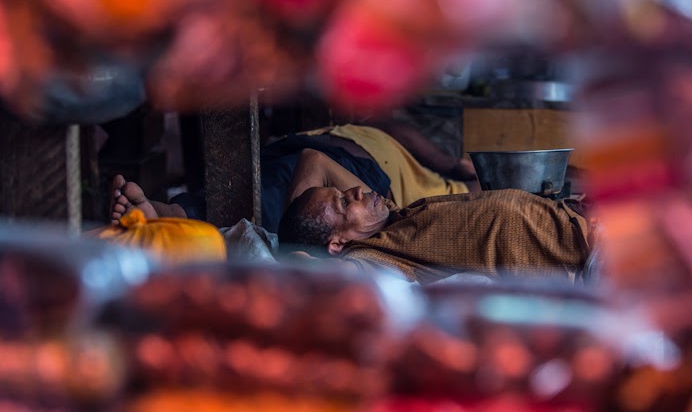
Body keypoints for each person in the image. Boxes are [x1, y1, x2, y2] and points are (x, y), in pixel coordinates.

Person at [164, 123, 478, 232]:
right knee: (272, 187)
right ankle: (176, 213)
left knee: (266, 189)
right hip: (334, 146)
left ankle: (175, 213)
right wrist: (450, 163)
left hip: (347, 165)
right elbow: (392, 126)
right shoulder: (449, 169)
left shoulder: (456, 203)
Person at [277, 182, 594, 285]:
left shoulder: (394, 217)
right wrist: (298, 258)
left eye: (346, 191)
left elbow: (313, 157)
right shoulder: (374, 255)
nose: (357, 189)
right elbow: (336, 278)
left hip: (581, 215)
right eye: (345, 202)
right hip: (588, 253)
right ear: (337, 243)